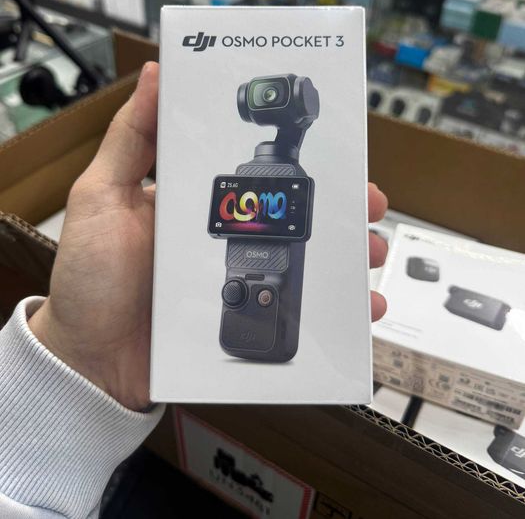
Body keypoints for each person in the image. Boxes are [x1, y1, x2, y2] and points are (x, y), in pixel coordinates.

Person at [0, 62, 388, 518]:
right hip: (240, 281)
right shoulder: (245, 181)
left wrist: (74, 365)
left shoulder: (264, 183)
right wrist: (78, 356)